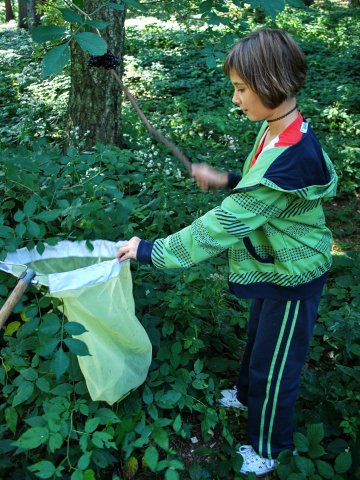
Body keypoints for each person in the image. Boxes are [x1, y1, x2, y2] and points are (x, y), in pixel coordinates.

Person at [117, 28, 338, 477]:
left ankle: (269, 447)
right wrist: (229, 179)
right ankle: (243, 394)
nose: (235, 99)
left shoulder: (293, 153)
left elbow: (220, 227)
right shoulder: (282, 130)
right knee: (259, 339)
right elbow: (267, 185)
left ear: (272, 83)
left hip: (295, 276)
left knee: (276, 367)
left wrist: (150, 251)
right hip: (275, 264)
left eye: (241, 88)